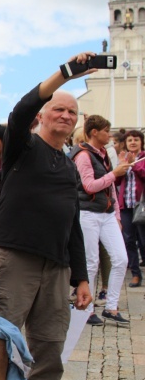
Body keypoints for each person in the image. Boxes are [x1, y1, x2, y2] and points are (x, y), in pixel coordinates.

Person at [0, 52, 94, 380]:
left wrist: (82, 277)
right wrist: (65, 75)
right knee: (1, 340)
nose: (65, 115)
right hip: (15, 257)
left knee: (50, 345)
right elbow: (19, 113)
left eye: (71, 111)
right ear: (42, 117)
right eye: (58, 109)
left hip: (57, 267)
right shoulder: (23, 147)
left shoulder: (68, 164)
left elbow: (72, 224)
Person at [70, 115, 129, 326]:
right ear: (94, 132)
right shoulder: (83, 155)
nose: (109, 135)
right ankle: (87, 309)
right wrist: (114, 173)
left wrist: (117, 214)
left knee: (121, 259)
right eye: (106, 131)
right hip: (88, 213)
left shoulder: (102, 153)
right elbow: (89, 186)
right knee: (91, 262)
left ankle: (111, 307)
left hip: (105, 213)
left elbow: (109, 188)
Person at [115, 129, 145, 288]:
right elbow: (117, 182)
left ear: (141, 142)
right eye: (129, 140)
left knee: (143, 240)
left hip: (142, 207)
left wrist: (134, 165)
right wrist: (123, 167)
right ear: (125, 144)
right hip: (126, 205)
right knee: (128, 240)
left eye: (136, 140)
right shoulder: (124, 159)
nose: (133, 142)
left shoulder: (143, 158)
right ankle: (135, 274)